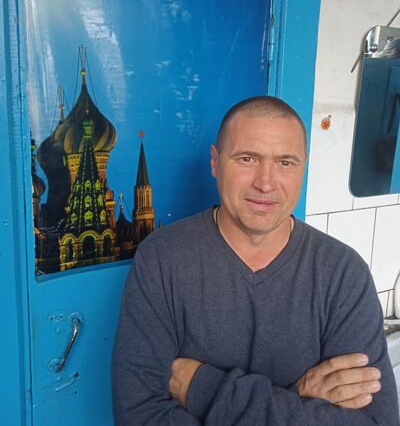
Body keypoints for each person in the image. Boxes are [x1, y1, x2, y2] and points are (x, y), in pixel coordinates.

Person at [112, 96, 399, 425]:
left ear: (304, 167)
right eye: (247, 159)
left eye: (285, 162)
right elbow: (138, 415)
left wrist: (204, 389)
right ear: (215, 162)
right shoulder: (162, 259)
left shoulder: (343, 274)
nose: (265, 183)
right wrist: (299, 399)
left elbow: (376, 422)